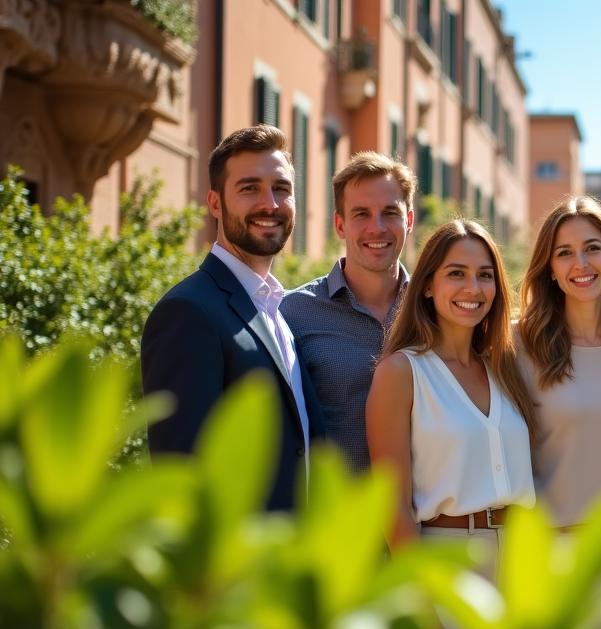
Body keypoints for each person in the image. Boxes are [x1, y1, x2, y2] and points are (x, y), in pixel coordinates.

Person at [141, 124, 323, 511]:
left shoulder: (278, 309)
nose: (270, 204)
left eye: (281, 189)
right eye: (249, 188)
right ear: (215, 203)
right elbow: (181, 474)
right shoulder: (188, 311)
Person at [365, 219, 537, 559]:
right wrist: (424, 600)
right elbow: (391, 504)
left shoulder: (505, 367)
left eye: (485, 275)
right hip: (451, 559)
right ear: (428, 285)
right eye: (456, 273)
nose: (473, 287)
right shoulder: (400, 373)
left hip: (522, 558)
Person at [516, 195, 601, 617]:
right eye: (564, 253)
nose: (581, 264)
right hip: (552, 558)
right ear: (550, 270)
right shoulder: (519, 345)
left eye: (592, 248)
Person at [282, 152, 414, 471]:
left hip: (427, 519)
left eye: (389, 212)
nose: (377, 228)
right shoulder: (292, 313)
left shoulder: (436, 309)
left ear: (408, 220)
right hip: (337, 516)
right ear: (340, 225)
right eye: (361, 214)